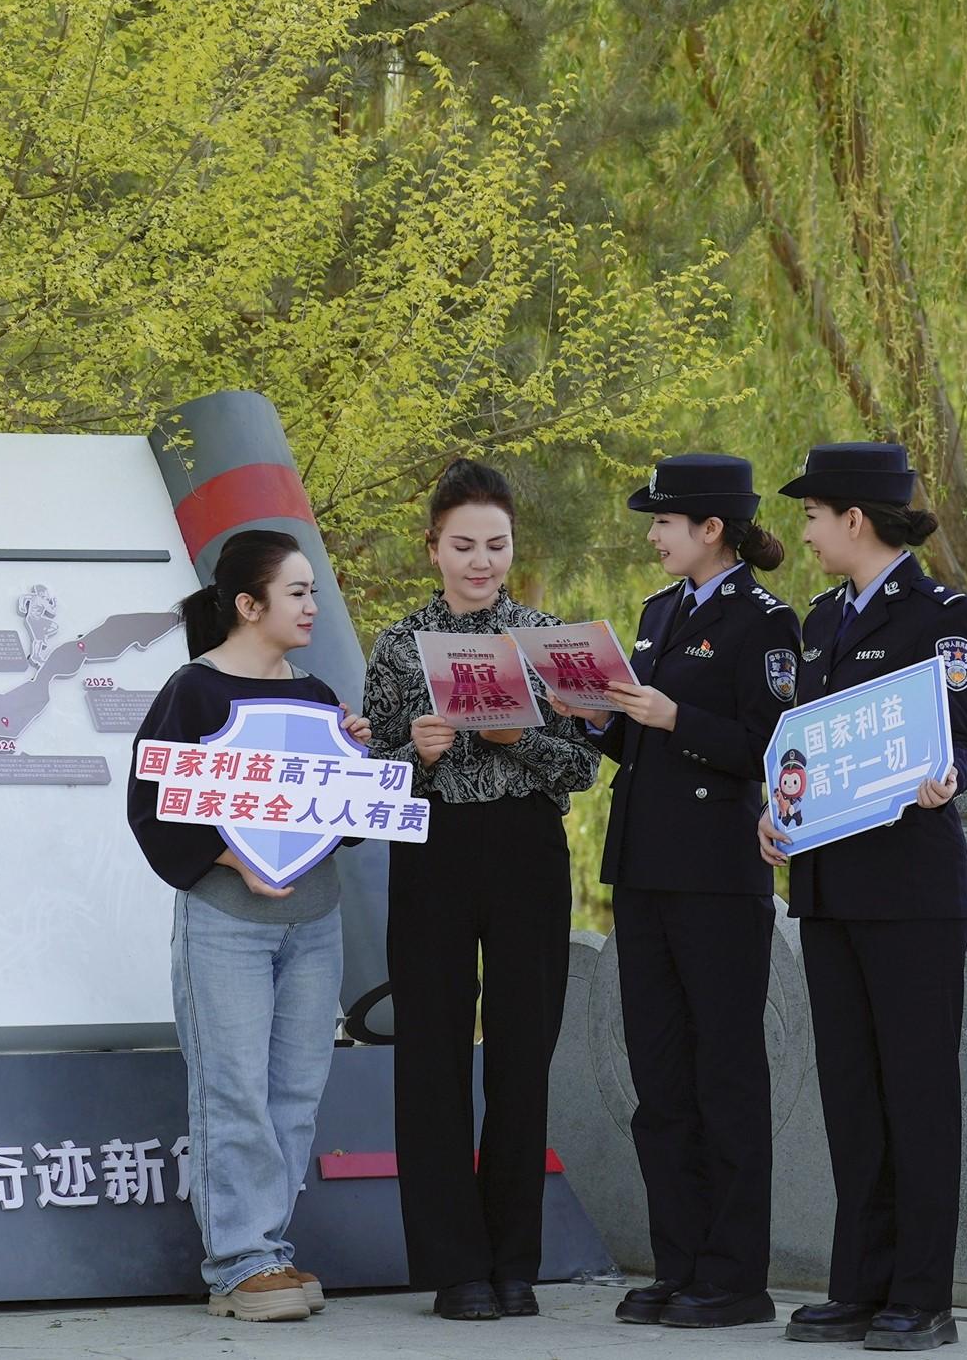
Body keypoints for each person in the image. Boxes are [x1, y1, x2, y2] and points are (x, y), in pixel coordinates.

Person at [547, 454, 798, 1329]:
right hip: (646, 864)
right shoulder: (658, 613)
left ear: (709, 528)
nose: (652, 535)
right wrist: (602, 719)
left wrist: (673, 716)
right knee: (657, 1075)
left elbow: (773, 744)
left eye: (662, 520)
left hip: (718, 872)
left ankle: (733, 1275)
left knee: (723, 1071)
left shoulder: (765, 622)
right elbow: (642, 741)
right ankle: (679, 1261)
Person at [759, 442, 967, 1353]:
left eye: (813, 516)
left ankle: (921, 1296)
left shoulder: (940, 614)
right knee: (850, 1097)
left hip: (910, 892)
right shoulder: (820, 621)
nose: (806, 533)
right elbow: (802, 749)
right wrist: (774, 810)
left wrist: (945, 775)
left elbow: (960, 738)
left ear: (853, 518)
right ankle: (857, 1286)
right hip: (828, 888)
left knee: (916, 1095)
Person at [363, 460, 598, 1322]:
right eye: (463, 545)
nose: (480, 561)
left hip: (526, 847)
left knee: (521, 1051)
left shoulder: (545, 641)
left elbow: (582, 767)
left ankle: (512, 1261)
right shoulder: (396, 646)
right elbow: (367, 780)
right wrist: (414, 755)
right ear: (432, 547)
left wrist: (515, 737)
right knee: (430, 1051)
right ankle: (453, 1266)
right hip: (431, 852)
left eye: (495, 545)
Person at [127, 529, 371, 1324]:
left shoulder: (316, 693)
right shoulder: (191, 691)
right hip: (226, 922)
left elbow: (343, 827)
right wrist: (233, 859)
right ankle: (237, 1262)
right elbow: (154, 806)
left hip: (314, 920)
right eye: (296, 592)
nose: (311, 605)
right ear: (247, 604)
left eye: (311, 591)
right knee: (231, 1087)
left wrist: (353, 765)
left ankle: (267, 1247)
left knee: (294, 1091)